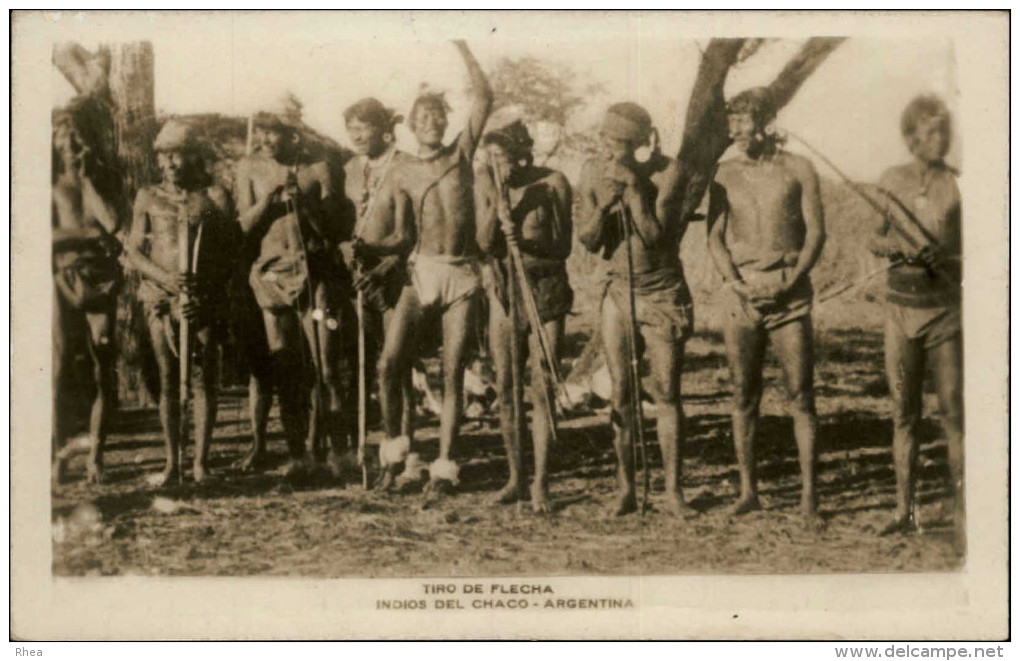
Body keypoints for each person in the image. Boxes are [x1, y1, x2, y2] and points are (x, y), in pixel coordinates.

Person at [366, 40, 492, 497]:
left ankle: (444, 468)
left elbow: (484, 97)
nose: (433, 125)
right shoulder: (399, 170)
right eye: (424, 120)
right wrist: (361, 250)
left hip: (461, 273)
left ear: (446, 121)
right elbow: (394, 236)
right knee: (389, 364)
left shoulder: (461, 155)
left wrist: (463, 47)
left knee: (453, 371)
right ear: (411, 126)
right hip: (421, 272)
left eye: (439, 118)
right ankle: (398, 457)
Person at [707, 87, 826, 530]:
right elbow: (714, 239)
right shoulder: (723, 174)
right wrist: (735, 284)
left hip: (789, 294)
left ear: (767, 123)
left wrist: (790, 283)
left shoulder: (799, 168)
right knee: (743, 395)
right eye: (732, 120)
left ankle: (809, 495)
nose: (736, 129)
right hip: (741, 296)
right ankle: (747, 491)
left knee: (801, 395)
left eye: (744, 120)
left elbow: (816, 234)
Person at [578, 102, 694, 517]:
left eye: (621, 144)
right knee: (622, 393)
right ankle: (626, 490)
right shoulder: (592, 172)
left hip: (662, 293)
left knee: (666, 393)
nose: (611, 150)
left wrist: (633, 190)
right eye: (607, 141)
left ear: (643, 143)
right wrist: (604, 206)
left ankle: (673, 492)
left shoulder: (669, 172)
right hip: (617, 291)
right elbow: (589, 241)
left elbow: (654, 237)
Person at [235, 93, 350, 480]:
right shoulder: (249, 168)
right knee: (286, 369)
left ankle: (336, 455)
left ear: (293, 134)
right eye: (264, 132)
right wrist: (267, 202)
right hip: (270, 276)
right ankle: (299, 457)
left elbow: (338, 229)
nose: (268, 140)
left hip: (315, 275)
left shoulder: (320, 166)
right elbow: (242, 229)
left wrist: (308, 207)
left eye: (276, 133)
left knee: (327, 367)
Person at [869, 95, 963, 546]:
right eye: (930, 132)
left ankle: (962, 510)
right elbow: (874, 237)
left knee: (952, 413)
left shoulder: (958, 186)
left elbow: (986, 250)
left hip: (945, 314)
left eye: (944, 131)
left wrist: (946, 255)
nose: (940, 140)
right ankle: (904, 510)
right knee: (904, 415)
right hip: (899, 312)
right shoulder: (891, 181)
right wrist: (898, 250)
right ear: (911, 138)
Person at [126, 119, 237, 485]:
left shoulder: (214, 197)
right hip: (161, 300)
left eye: (179, 155)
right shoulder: (148, 197)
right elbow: (134, 251)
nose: (171, 163)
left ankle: (201, 464)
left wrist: (203, 293)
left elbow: (230, 255)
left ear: (193, 157)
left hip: (201, 303)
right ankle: (172, 462)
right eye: (165, 155)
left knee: (205, 380)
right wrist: (164, 280)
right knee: (169, 379)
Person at [476, 119, 573, 512]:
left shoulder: (554, 182)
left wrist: (527, 239)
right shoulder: (485, 182)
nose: (496, 163)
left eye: (502, 156)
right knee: (507, 387)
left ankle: (542, 484)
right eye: (491, 157)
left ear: (521, 154)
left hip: (547, 291)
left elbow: (564, 246)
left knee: (543, 386)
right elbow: (483, 243)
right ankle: (515, 478)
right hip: (504, 294)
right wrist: (498, 211)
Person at [338, 97, 417, 480]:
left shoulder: (405, 167)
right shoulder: (351, 169)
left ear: (385, 129)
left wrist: (385, 265)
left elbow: (411, 234)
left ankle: (403, 455)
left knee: (394, 367)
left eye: (363, 128)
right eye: (351, 128)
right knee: (372, 367)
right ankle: (387, 455)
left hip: (400, 277)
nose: (356, 135)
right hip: (360, 280)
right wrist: (349, 258)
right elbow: (343, 227)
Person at [51, 107, 124, 485]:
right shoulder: (46, 184)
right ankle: (58, 455)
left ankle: (96, 455)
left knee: (102, 369)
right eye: (62, 137)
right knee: (60, 368)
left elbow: (112, 223)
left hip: (100, 282)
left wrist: (88, 178)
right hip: (61, 279)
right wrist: (87, 237)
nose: (69, 144)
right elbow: (37, 236)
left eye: (76, 137)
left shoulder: (104, 180)